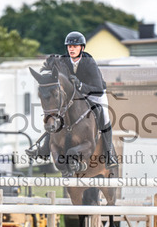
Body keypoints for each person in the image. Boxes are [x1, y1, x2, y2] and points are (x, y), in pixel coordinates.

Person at [26, 31, 118, 169]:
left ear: (82, 48)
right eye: (69, 46)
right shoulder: (64, 60)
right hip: (74, 94)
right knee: (56, 114)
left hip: (94, 93)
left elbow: (98, 88)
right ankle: (44, 149)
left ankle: (109, 153)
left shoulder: (89, 62)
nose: (72, 49)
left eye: (75, 46)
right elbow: (52, 72)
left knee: (104, 116)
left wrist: (80, 85)